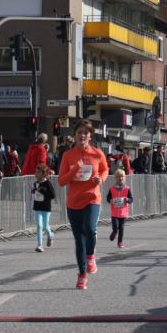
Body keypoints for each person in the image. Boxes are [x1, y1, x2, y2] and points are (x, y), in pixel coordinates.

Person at [57, 120, 109, 290]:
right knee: (79, 240)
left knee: (90, 228)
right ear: (75, 135)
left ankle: (91, 256)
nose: (82, 136)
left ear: (90, 136)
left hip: (92, 198)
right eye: (79, 132)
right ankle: (82, 274)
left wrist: (100, 179)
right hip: (74, 202)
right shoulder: (68, 155)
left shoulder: (97, 153)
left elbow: (105, 170)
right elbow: (61, 181)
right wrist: (74, 170)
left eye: (85, 133)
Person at [30, 163, 55, 252]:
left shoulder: (47, 183)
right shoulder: (35, 183)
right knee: (39, 225)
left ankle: (51, 235)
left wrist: (43, 191)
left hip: (46, 207)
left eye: (38, 172)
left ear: (44, 173)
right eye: (36, 172)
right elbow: (34, 194)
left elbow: (52, 195)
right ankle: (40, 245)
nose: (36, 174)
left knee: (45, 226)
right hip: (37, 207)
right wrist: (33, 192)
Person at [106, 169, 133, 249]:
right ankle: (114, 232)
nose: (120, 178)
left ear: (124, 177)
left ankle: (120, 242)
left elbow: (131, 199)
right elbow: (108, 198)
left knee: (121, 227)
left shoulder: (127, 188)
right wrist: (110, 200)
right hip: (114, 212)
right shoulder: (112, 188)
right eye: (118, 177)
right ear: (115, 178)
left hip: (123, 211)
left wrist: (127, 200)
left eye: (122, 176)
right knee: (115, 227)